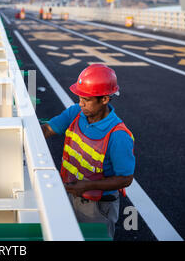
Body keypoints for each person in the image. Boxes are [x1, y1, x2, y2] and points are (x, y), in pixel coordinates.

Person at [41, 64, 135, 239]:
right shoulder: (76, 112)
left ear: (105, 99)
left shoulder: (118, 135)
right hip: (69, 193)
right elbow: (46, 130)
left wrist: (87, 186)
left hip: (97, 207)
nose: (80, 103)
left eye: (87, 99)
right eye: (79, 97)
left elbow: (125, 178)